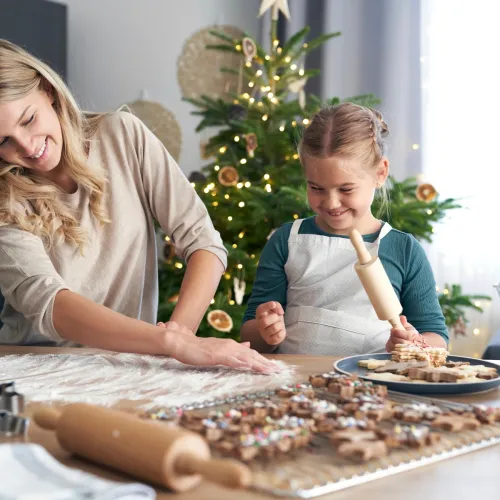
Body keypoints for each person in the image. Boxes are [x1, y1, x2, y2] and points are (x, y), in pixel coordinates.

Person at [0, 39, 279, 374]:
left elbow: (203, 243)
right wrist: (173, 344)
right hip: (36, 368)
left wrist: (181, 336)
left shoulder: (122, 135)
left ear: (48, 91)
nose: (28, 147)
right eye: (3, 141)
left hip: (132, 366)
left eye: (29, 119)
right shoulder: (5, 197)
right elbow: (49, 303)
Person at [241, 103, 448, 355]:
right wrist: (267, 332)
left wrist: (414, 345)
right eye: (316, 188)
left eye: (346, 189)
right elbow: (250, 334)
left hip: (373, 384)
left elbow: (436, 337)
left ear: (380, 173)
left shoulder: (404, 250)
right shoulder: (286, 240)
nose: (331, 203)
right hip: (295, 382)